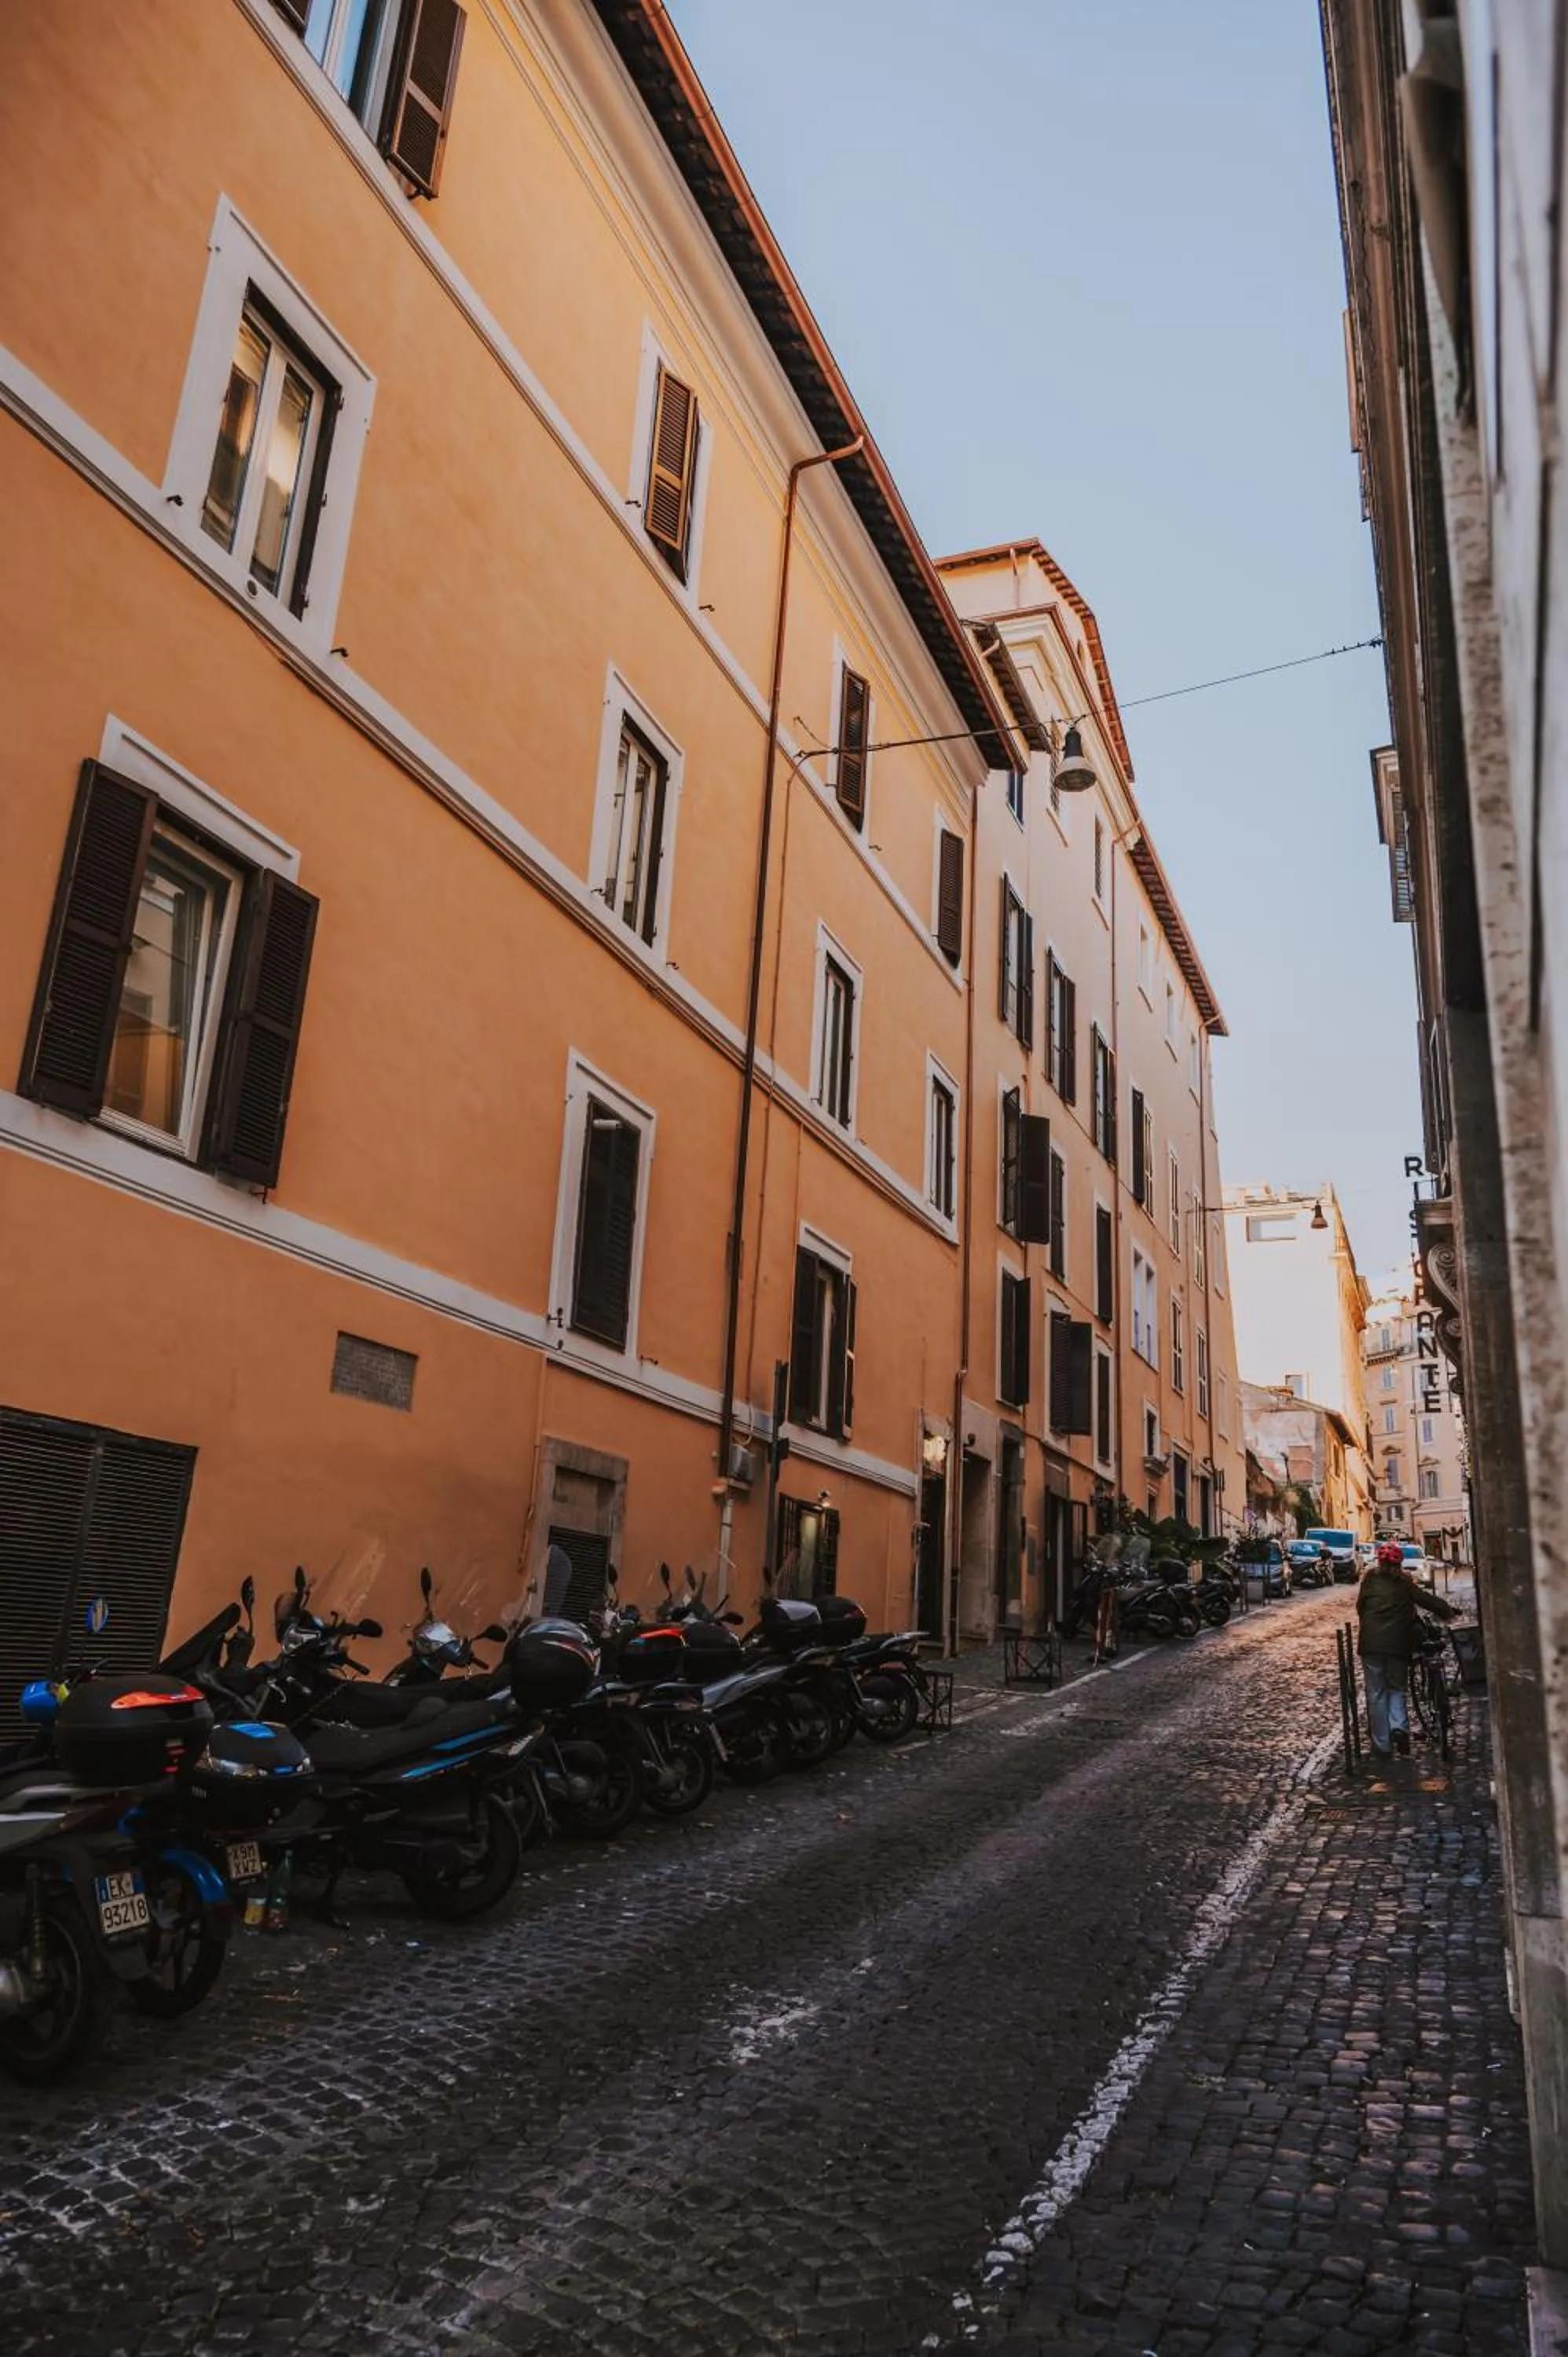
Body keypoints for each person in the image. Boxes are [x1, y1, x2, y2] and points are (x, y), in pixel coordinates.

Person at [1357, 1540, 1420, 1758]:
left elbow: (1360, 1608)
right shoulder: (1404, 1582)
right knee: (1397, 1688)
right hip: (1397, 1646)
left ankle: (1382, 1744)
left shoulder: (1369, 1581)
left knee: (1376, 1693)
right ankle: (1399, 1727)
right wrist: (1449, 1612)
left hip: (1371, 1645)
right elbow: (1425, 1600)